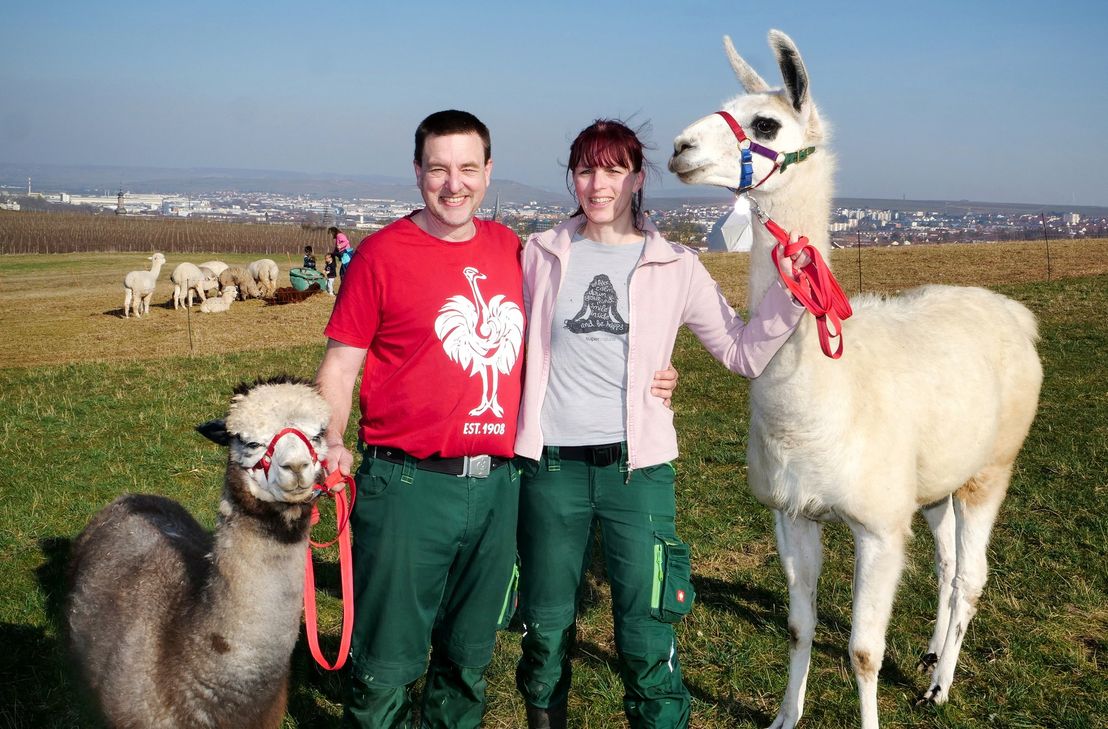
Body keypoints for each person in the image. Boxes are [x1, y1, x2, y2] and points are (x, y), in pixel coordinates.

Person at [315, 110, 677, 729]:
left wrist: (652, 373)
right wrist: (330, 440)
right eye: (438, 169)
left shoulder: (513, 251)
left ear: (488, 173)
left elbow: (566, 338)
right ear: (418, 173)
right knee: (387, 665)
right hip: (407, 486)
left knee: (467, 661)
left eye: (466, 169)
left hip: (498, 488)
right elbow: (341, 365)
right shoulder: (380, 255)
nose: (453, 184)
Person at [512, 120, 808, 729]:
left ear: (637, 178)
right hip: (550, 468)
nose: (598, 184)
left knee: (646, 635)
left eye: (614, 170)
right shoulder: (538, 255)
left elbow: (741, 351)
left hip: (638, 471)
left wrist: (791, 293)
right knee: (544, 632)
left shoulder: (675, 266)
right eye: (586, 169)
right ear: (573, 177)